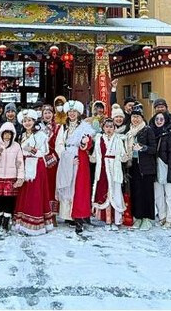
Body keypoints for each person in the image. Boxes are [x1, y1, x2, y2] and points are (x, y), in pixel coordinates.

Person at [55, 100, 95, 233]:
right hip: (67, 158)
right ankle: (67, 215)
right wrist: (66, 158)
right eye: (70, 112)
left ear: (79, 113)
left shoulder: (84, 127)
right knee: (67, 184)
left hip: (80, 158)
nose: (72, 114)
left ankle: (79, 215)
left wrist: (85, 142)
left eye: (74, 112)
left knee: (79, 187)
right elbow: (59, 144)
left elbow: (88, 144)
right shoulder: (63, 127)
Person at [15, 109, 55, 235]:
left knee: (35, 193)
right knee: (25, 192)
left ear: (34, 121)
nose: (27, 123)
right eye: (25, 121)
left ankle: (36, 222)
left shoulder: (40, 135)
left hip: (37, 165)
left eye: (29, 121)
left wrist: (31, 149)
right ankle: (24, 221)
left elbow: (44, 151)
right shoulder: (21, 135)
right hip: (25, 165)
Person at [91, 118, 128, 230]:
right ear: (103, 128)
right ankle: (106, 219)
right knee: (104, 191)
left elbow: (123, 156)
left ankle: (116, 219)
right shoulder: (98, 139)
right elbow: (95, 156)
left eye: (111, 127)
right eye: (106, 127)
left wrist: (127, 154)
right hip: (102, 168)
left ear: (114, 128)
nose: (109, 129)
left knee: (115, 192)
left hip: (114, 169)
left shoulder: (118, 140)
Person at [125, 105, 157, 231]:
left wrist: (143, 148)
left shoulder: (147, 130)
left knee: (147, 193)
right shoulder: (129, 131)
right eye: (133, 117)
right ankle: (137, 217)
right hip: (133, 165)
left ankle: (147, 218)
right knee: (136, 192)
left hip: (146, 167)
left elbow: (154, 148)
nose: (135, 119)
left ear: (142, 118)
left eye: (137, 117)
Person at [0, 123, 25, 231]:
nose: (6, 136)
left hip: (11, 177)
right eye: (5, 133)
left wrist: (20, 177)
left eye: (9, 133)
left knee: (9, 201)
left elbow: (20, 162)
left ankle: (6, 221)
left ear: (12, 134)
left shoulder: (16, 146)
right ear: (1, 134)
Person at [149, 108, 171, 225]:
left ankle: (170, 216)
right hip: (154, 165)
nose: (159, 121)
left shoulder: (169, 132)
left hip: (166, 165)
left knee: (168, 192)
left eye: (161, 119)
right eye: (157, 119)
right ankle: (162, 215)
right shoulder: (150, 131)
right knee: (158, 193)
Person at [40, 104, 60, 218]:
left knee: (52, 185)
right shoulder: (38, 127)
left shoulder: (57, 127)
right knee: (42, 185)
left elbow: (60, 144)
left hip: (53, 160)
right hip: (41, 159)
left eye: (49, 113)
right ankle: (42, 210)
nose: (47, 115)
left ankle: (52, 214)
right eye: (45, 113)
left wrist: (55, 156)